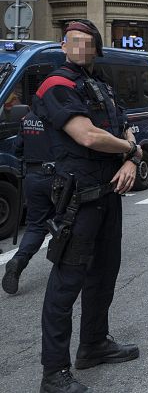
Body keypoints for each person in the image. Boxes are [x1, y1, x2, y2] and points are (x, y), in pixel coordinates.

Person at [34, 19, 141, 392]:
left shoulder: (101, 86)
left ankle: (93, 344)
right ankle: (54, 372)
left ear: (95, 48)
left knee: (104, 275)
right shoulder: (57, 86)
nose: (81, 47)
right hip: (79, 199)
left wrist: (131, 157)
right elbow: (89, 136)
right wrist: (130, 150)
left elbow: (125, 129)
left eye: (88, 43)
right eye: (74, 41)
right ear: (63, 46)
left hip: (109, 194)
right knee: (66, 284)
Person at [3, 107, 57, 295]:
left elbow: (17, 148)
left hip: (32, 178)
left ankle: (19, 260)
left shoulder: (27, 119)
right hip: (57, 177)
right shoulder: (59, 115)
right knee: (69, 220)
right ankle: (66, 266)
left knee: (35, 226)